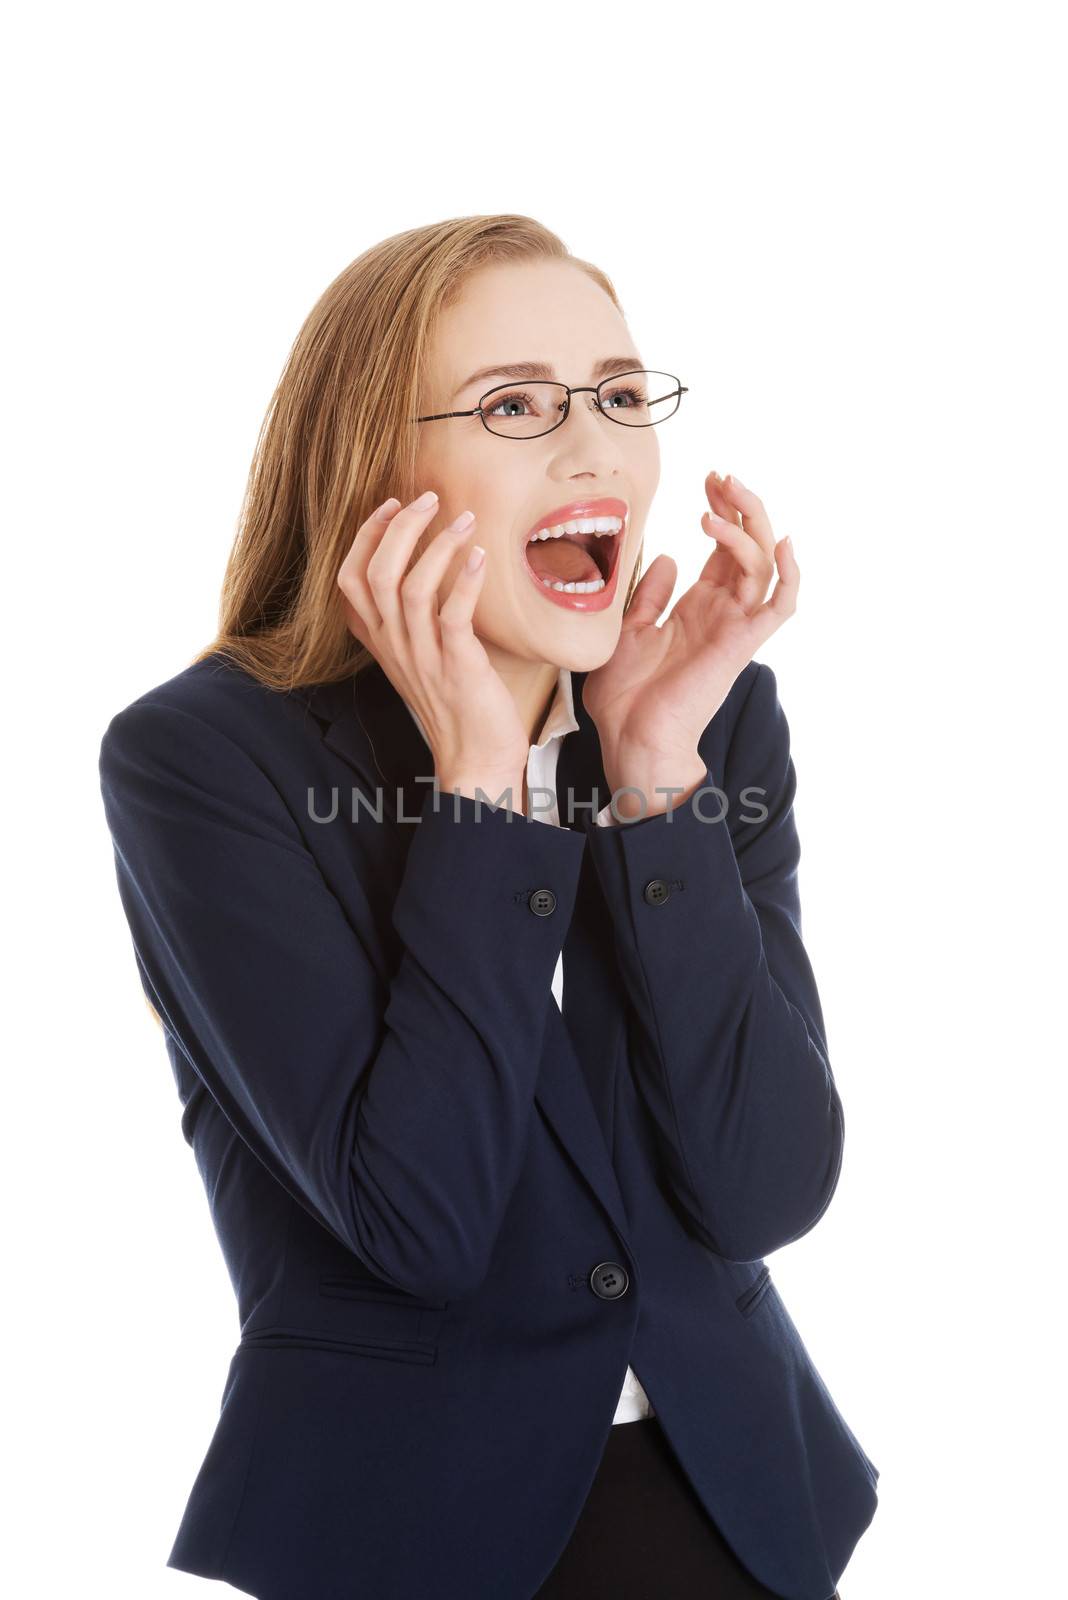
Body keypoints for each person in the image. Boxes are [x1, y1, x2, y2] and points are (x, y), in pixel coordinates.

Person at [98, 213, 878, 1600]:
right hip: (412, 1525)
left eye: (621, 399)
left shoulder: (709, 718)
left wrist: (652, 785)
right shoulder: (206, 760)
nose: (593, 448)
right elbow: (423, 1223)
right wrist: (478, 787)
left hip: (743, 1499)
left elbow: (767, 1185)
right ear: (371, 469)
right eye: (517, 404)